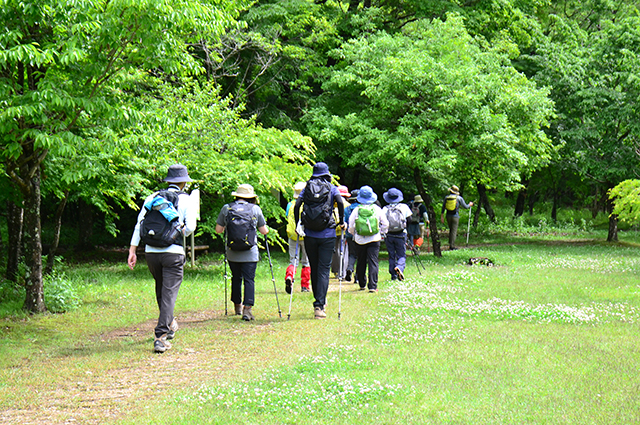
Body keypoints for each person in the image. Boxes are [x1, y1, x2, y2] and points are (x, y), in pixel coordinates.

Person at [128, 164, 198, 353]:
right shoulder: (187, 200)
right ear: (183, 182)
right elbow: (190, 227)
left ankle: (171, 323)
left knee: (161, 290)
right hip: (173, 253)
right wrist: (179, 230)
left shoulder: (153, 197)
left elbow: (139, 225)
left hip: (151, 252)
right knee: (168, 294)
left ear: (168, 181)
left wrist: (132, 250)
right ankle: (160, 336)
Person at [294, 162, 345, 319]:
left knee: (315, 269)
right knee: (323, 269)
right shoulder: (331, 187)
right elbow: (341, 202)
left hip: (309, 234)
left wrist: (298, 223)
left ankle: (319, 302)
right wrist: (341, 221)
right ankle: (319, 306)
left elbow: (297, 206)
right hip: (327, 234)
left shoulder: (307, 187)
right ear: (326, 174)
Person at [215, 184, 269, 321]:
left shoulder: (227, 208)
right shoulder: (255, 209)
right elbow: (264, 231)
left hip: (232, 252)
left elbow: (218, 230)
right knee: (249, 280)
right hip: (250, 252)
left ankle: (237, 306)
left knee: (236, 278)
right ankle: (247, 309)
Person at [348, 186, 389, 293]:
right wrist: (381, 232)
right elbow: (385, 224)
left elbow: (351, 226)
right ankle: (372, 286)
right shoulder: (377, 209)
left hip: (360, 240)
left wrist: (354, 234)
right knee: (373, 261)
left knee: (361, 261)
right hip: (374, 239)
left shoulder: (357, 210)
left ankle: (362, 283)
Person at [285, 182, 310, 293]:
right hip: (305, 236)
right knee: (306, 261)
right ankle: (304, 286)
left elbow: (287, 217)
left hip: (293, 235)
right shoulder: (307, 205)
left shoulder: (290, 205)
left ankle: (290, 276)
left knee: (293, 260)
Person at [382, 188, 412, 281]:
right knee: (401, 255)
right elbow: (410, 220)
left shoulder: (385, 209)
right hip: (401, 234)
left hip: (389, 235)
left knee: (391, 255)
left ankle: (393, 275)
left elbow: (382, 222)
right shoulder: (404, 207)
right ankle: (400, 267)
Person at [440, 185, 473, 250]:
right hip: (455, 216)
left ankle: (450, 244)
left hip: (448, 216)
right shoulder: (459, 198)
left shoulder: (446, 197)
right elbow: (465, 206)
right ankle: (452, 246)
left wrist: (442, 216)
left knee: (451, 230)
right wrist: (470, 205)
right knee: (454, 231)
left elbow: (443, 207)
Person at [331, 185, 350, 280]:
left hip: (333, 230)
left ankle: (335, 270)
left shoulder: (333, 203)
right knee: (343, 251)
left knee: (335, 251)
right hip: (344, 230)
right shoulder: (347, 205)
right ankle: (343, 272)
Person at [343, 189, 360, 283]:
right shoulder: (361, 208)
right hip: (361, 235)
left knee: (352, 254)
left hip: (350, 234)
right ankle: (357, 277)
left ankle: (349, 268)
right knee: (360, 256)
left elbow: (344, 221)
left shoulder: (347, 209)